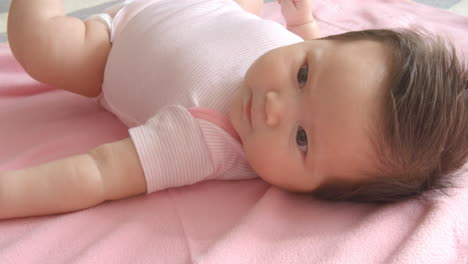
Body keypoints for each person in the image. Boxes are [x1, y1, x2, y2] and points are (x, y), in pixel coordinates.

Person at [2, 0, 467, 219]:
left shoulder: (207, 139)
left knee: (41, 44)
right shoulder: (314, 57)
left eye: (302, 139)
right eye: (303, 75)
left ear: (316, 191)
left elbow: (98, 172)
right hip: (209, 7)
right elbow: (310, 45)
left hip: (107, 46)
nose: (272, 107)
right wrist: (300, 21)